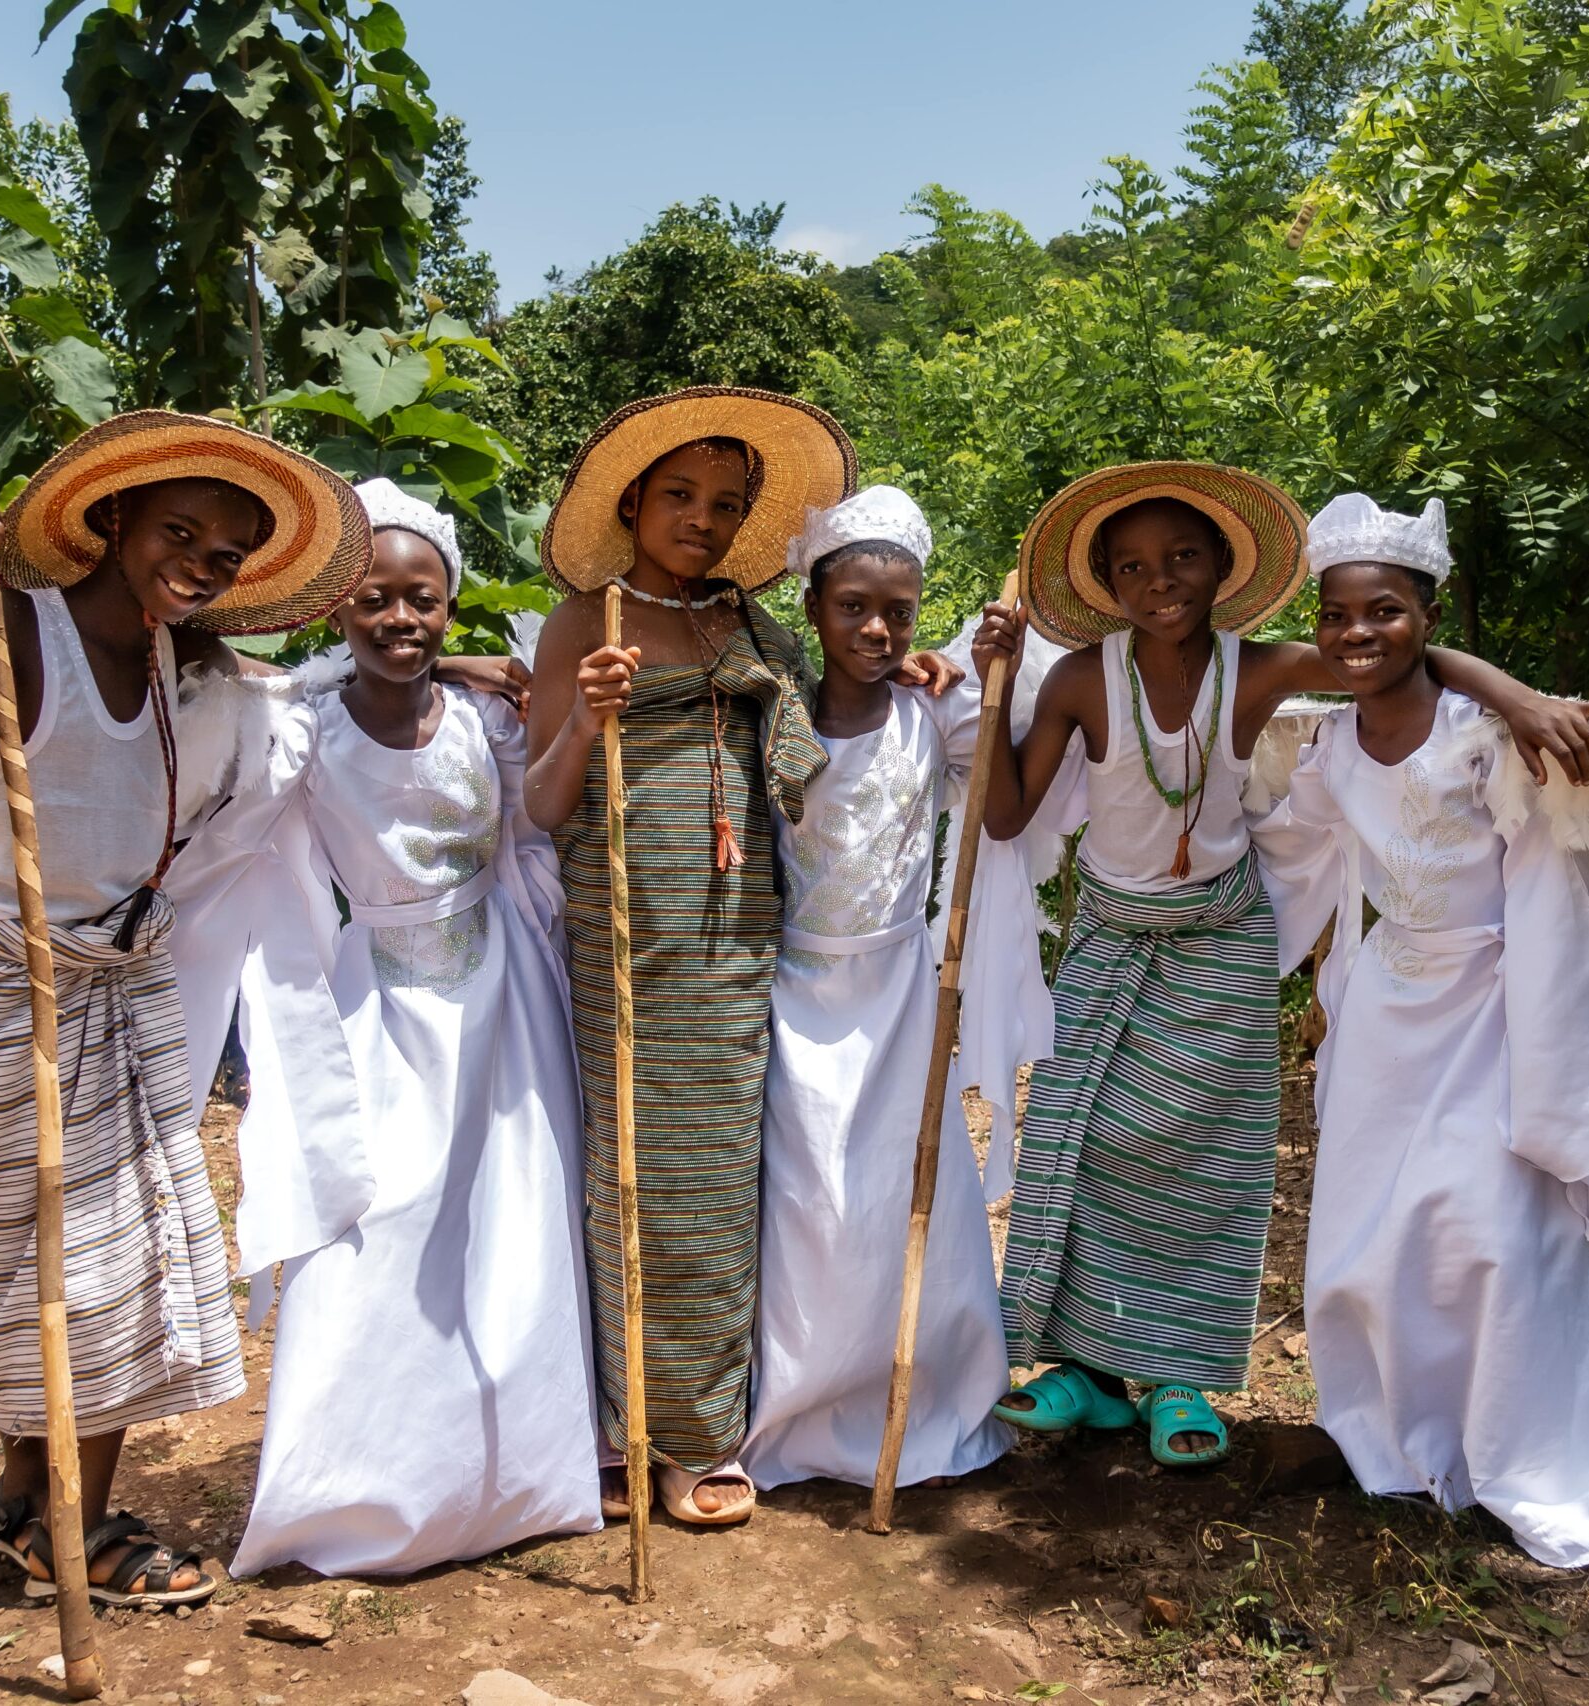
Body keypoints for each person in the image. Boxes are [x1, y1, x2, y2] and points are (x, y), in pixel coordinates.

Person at [965, 462, 1589, 1471]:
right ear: (1105, 586)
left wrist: (1520, 701)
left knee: (1201, 1159)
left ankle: (1179, 1369)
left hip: (1219, 945)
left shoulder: (1256, 666)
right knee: (1079, 1142)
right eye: (1131, 565)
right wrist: (992, 674)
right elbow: (1004, 815)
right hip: (1106, 935)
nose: (1160, 579)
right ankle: (1084, 1373)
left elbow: (1396, 659)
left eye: (1183, 555)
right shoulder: (1083, 678)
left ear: (1224, 566)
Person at [0, 411, 375, 1608]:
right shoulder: (24, 637)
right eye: (180, 531)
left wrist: (460, 668)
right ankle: (70, 1520)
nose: (200, 562)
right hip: (18, 979)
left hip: (123, 974)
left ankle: (35, 1498)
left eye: (225, 552)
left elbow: (309, 687)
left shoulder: (187, 659)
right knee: (62, 1261)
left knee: (130, 1249)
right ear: (109, 522)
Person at [1253, 492, 1589, 1566]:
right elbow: (1286, 851)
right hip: (1385, 1010)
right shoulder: (1328, 746)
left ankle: (1526, 1451)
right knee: (1370, 1237)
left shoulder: (1488, 738)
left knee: (1499, 1237)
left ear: (1430, 612)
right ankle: (1403, 1438)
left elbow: (1547, 893)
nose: (1356, 633)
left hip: (1497, 1009)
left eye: (1385, 609)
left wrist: (1504, 691)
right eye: (1335, 614)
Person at [524, 388, 956, 1525]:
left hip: (734, 944)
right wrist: (583, 716)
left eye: (724, 503)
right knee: (621, 1172)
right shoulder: (585, 622)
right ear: (629, 501)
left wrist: (917, 671)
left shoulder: (751, 630)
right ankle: (621, 1422)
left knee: (715, 1187)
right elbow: (536, 801)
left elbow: (833, 716)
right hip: (625, 935)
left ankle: (701, 1430)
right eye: (678, 495)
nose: (701, 520)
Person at [172, 481, 602, 1579]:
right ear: (335, 611)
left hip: (499, 990)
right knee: (378, 1223)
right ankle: (358, 1483)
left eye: (422, 600)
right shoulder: (302, 730)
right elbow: (226, 704)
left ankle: (518, 1472)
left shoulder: (484, 719)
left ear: (450, 606)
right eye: (373, 599)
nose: (399, 619)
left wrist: (579, 720)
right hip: (376, 1001)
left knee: (512, 1221)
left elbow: (539, 814)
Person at [741, 486, 1012, 1493]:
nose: (876, 626)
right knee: (810, 1201)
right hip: (792, 986)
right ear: (812, 604)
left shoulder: (927, 711)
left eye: (896, 610)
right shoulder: (769, 713)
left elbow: (1004, 799)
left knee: (905, 1189)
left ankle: (923, 1386)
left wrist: (988, 677)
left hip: (900, 992)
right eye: (853, 605)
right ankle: (802, 1407)